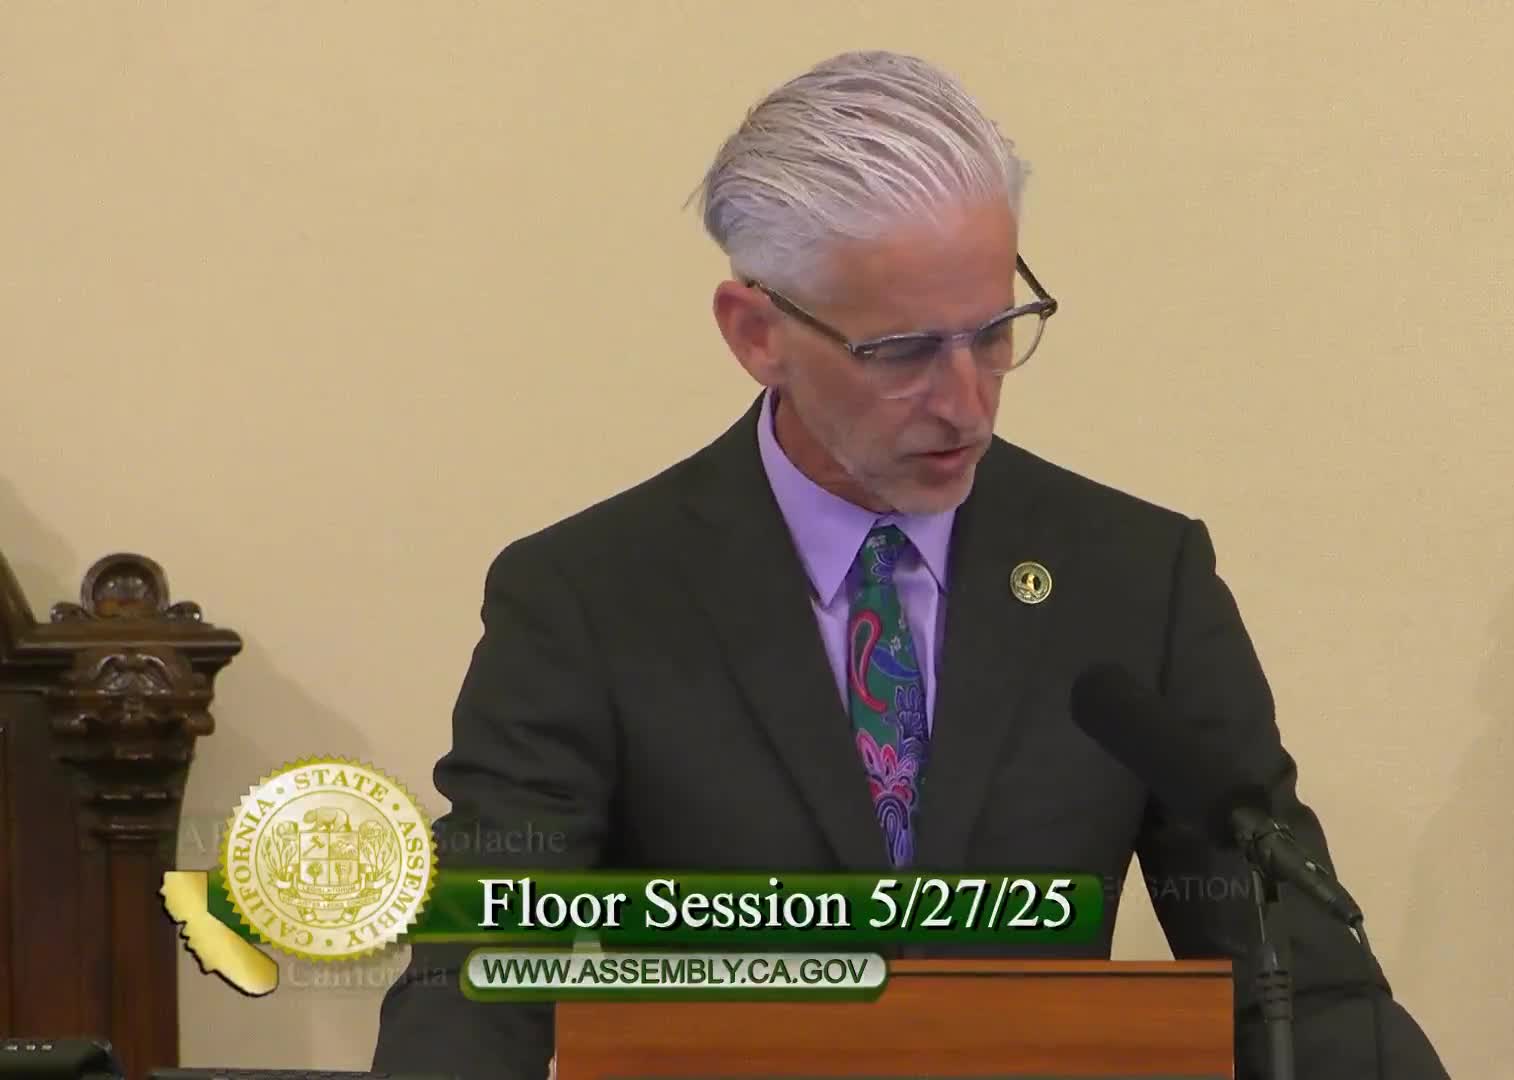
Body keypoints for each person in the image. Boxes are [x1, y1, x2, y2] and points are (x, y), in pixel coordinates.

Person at [371, 49, 1447, 1080]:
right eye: (904, 352)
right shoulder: (588, 599)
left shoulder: (1136, 580)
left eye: (995, 332)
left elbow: (1299, 981)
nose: (967, 402)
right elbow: (476, 979)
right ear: (756, 333)